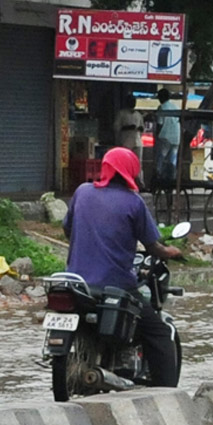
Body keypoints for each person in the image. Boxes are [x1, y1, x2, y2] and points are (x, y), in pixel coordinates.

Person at [62, 147, 184, 386]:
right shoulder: (133, 203)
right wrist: (173, 251)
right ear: (131, 171)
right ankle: (169, 393)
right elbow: (154, 247)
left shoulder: (82, 192)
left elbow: (68, 228)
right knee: (158, 332)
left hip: (77, 284)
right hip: (116, 285)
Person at [154, 87, 181, 185]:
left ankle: (159, 178)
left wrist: (156, 135)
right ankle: (172, 179)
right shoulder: (176, 107)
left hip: (165, 136)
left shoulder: (162, 108)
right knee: (172, 160)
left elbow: (160, 123)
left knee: (160, 158)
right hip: (176, 137)